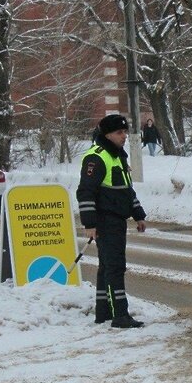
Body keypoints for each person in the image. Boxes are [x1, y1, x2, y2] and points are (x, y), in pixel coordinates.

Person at [77, 114, 147, 328]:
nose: (124, 136)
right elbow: (85, 192)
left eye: (125, 132)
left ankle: (104, 312)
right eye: (119, 132)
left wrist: (138, 214)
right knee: (115, 267)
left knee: (107, 267)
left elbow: (126, 190)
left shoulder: (117, 156)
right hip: (105, 220)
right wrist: (89, 224)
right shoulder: (96, 157)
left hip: (117, 219)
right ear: (107, 134)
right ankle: (120, 315)